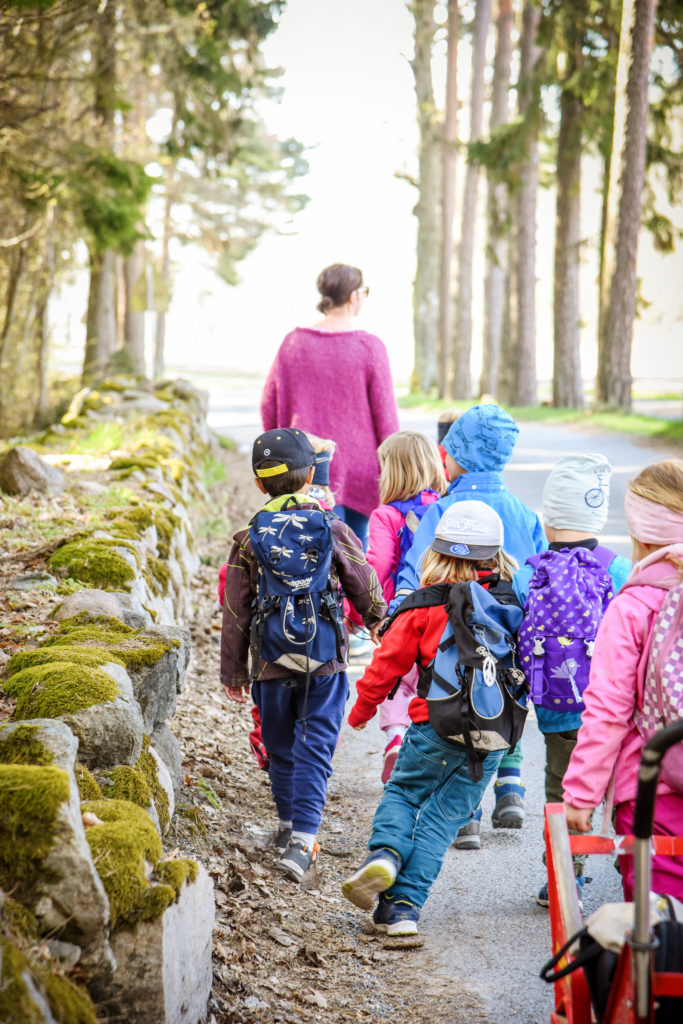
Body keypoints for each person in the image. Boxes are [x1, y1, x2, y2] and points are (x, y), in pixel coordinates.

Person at [341, 502, 520, 936]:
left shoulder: (422, 606)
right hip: (492, 737)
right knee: (443, 820)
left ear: (436, 553)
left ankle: (385, 853)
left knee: (403, 793)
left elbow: (385, 667)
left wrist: (362, 712)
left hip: (432, 728)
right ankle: (401, 911)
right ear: (495, 557)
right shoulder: (511, 603)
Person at [220, 427, 386, 882]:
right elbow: (363, 579)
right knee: (315, 747)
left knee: (279, 744)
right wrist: (377, 620)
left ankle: (289, 826)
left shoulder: (247, 540)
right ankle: (304, 841)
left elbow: (236, 610)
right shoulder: (331, 527)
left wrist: (233, 671)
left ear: (258, 483)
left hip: (271, 663)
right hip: (326, 659)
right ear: (311, 475)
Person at [391, 403, 547, 846]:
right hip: (509, 633)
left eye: (450, 447)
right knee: (506, 700)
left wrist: (401, 607)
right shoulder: (523, 513)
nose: (443, 453)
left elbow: (416, 567)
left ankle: (467, 813)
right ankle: (511, 788)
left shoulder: (444, 510)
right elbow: (536, 571)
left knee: (464, 706)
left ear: (459, 455)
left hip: (454, 637)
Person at [512, 454, 631, 908]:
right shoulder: (616, 569)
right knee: (621, 790)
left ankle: (566, 877)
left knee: (561, 785)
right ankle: (632, 867)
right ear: (597, 514)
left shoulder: (531, 570)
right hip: (610, 705)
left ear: (548, 516)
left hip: (555, 706)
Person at [563, 459, 683, 902]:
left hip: (651, 787)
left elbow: (608, 710)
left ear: (640, 532)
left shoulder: (633, 607)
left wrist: (581, 794)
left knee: (660, 919)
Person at [259, 263, 400, 550]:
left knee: (304, 552)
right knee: (355, 554)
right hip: (361, 472)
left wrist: (280, 457)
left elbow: (267, 404)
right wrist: (393, 470)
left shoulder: (293, 343)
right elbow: (386, 420)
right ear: (353, 297)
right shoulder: (369, 347)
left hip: (303, 470)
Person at [348, 430, 447, 781]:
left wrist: (361, 611)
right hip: (443, 614)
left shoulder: (386, 515)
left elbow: (375, 564)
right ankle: (432, 752)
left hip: (400, 614)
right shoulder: (446, 509)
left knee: (397, 682)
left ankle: (395, 737)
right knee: (432, 682)